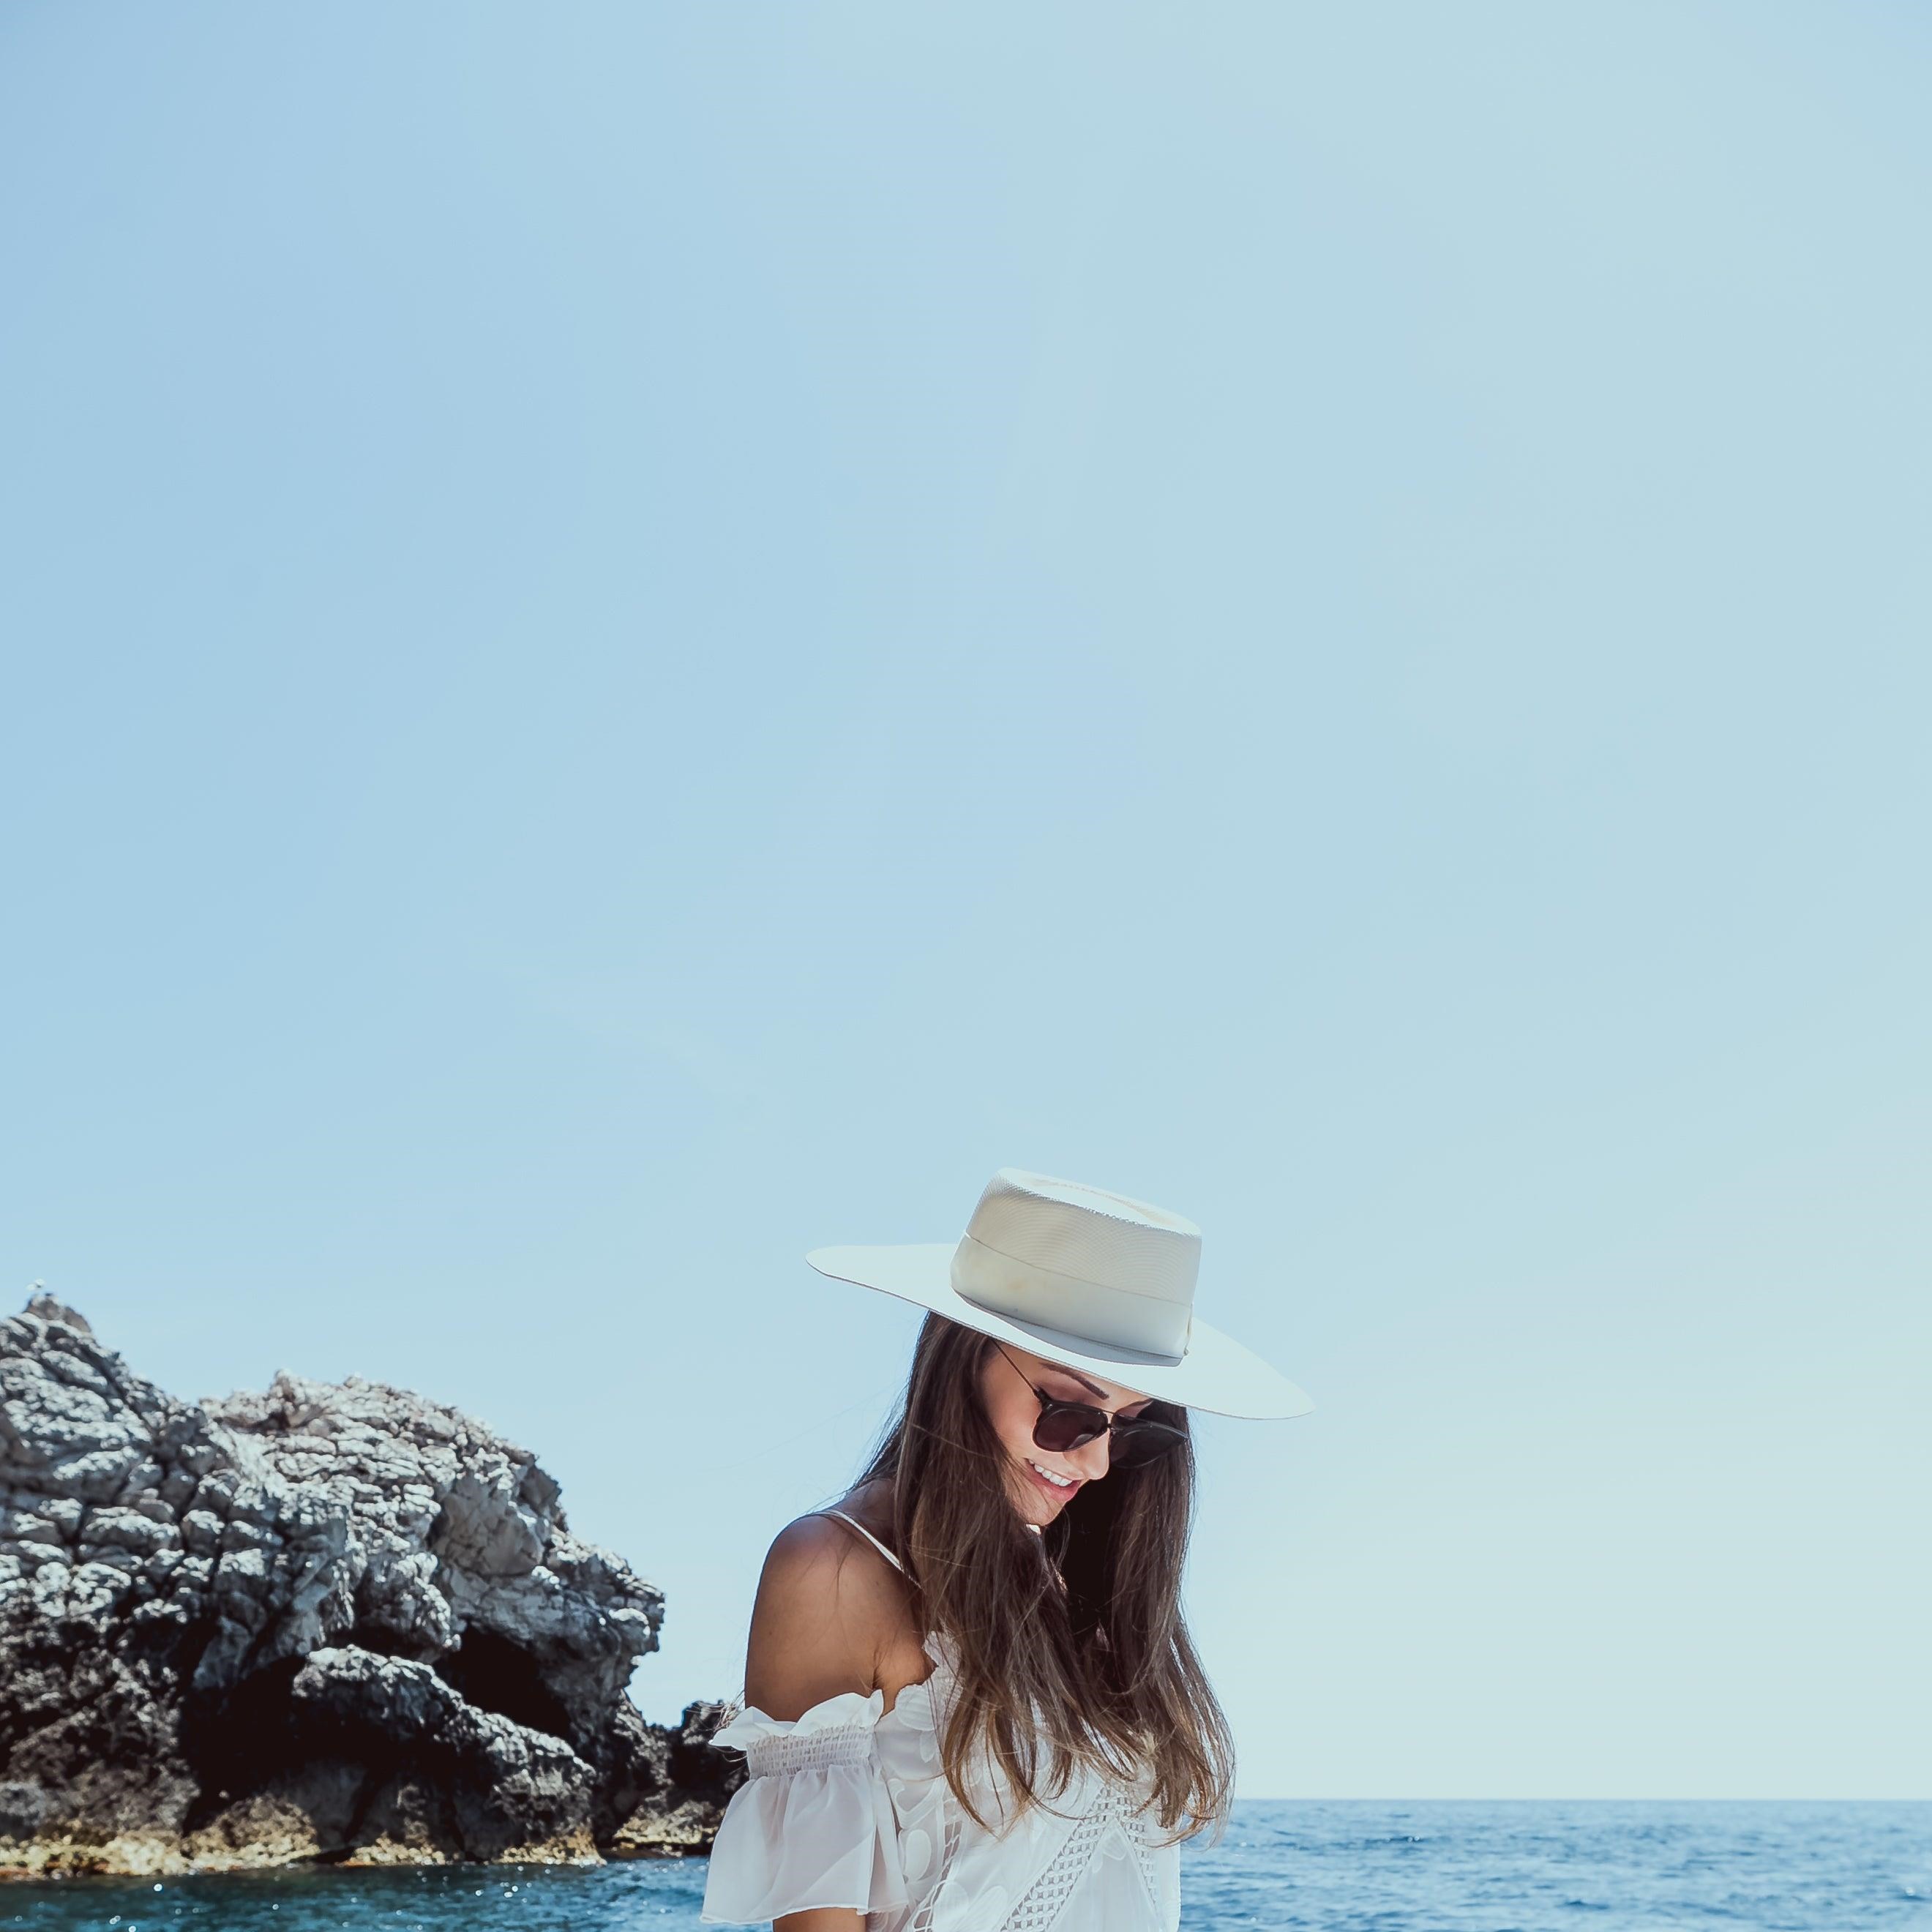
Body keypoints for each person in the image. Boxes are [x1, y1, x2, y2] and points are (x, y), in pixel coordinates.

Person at [699, 1167, 1314, 1932]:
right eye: (1069, 1413)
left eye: (1136, 1428)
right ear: (964, 1360)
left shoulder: (1083, 1587)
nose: (1093, 1464)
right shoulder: (834, 1571)